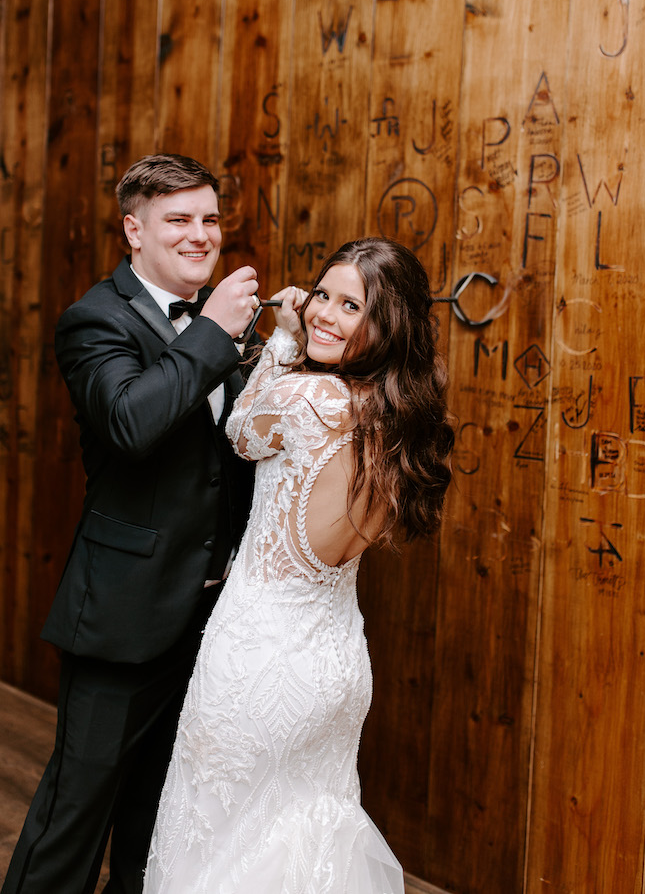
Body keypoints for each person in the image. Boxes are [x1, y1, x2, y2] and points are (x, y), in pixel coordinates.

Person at [143, 237, 455, 893]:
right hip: (337, 664)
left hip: (261, 656)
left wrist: (283, 340)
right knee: (303, 843)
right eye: (323, 296)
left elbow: (240, 430)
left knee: (218, 840)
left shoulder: (310, 399)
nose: (325, 314)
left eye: (352, 305)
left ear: (387, 324)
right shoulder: (397, 416)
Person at [2, 153, 263, 894]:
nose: (200, 234)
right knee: (74, 816)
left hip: (211, 614)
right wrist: (212, 333)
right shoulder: (96, 319)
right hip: (123, 615)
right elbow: (128, 423)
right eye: (178, 219)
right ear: (133, 230)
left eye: (209, 219)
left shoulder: (227, 319)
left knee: (158, 820)